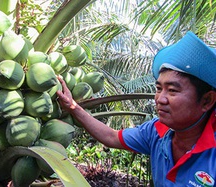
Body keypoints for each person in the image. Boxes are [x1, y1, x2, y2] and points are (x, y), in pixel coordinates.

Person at [56, 31, 216, 187]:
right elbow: (111, 137)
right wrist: (72, 106)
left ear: (207, 101)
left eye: (172, 90)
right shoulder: (156, 132)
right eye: (159, 88)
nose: (160, 99)